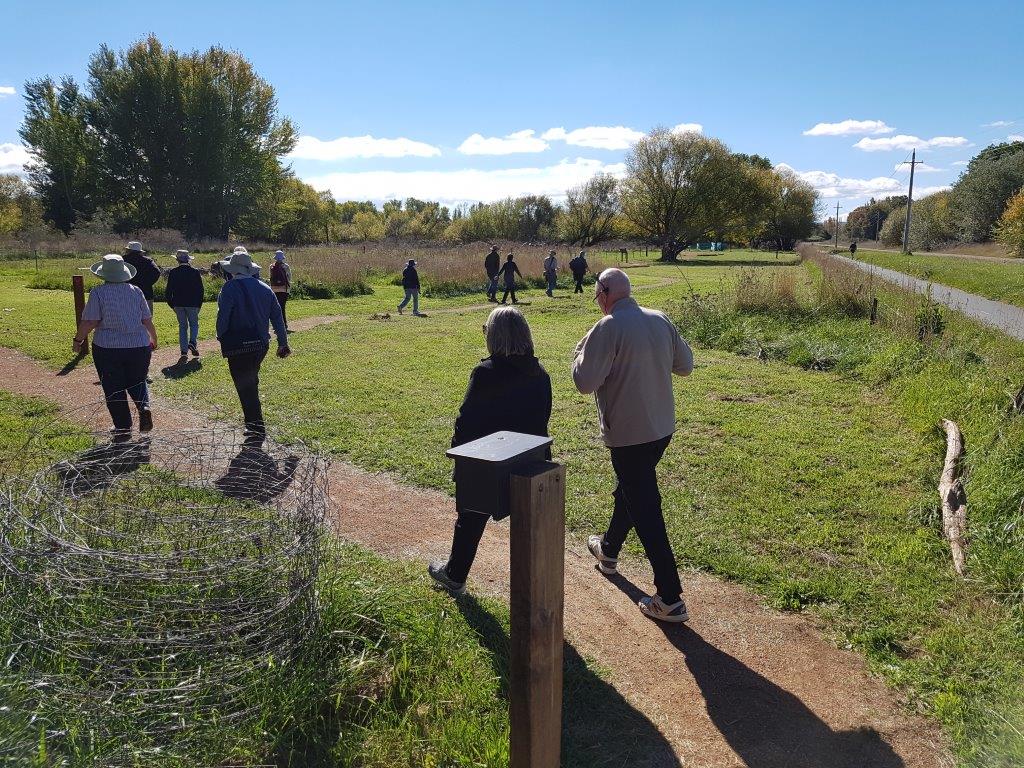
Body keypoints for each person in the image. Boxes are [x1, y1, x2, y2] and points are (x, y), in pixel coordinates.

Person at [572, 268, 694, 623]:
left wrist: (581, 350)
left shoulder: (607, 327)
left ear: (605, 292)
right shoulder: (660, 319)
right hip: (661, 430)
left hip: (628, 436)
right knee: (630, 490)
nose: (597, 300)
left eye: (597, 294)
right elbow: (685, 366)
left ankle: (669, 597)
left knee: (645, 507)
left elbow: (583, 381)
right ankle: (608, 551)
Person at [429, 306, 552, 593]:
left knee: (470, 514)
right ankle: (536, 586)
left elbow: (467, 420)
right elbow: (542, 418)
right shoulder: (540, 373)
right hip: (532, 462)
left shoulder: (486, 372)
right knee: (529, 527)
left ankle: (455, 575)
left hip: (490, 463)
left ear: (494, 336)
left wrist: (459, 458)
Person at [73, 254, 158, 441]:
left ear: (103, 274)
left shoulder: (98, 293)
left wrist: (78, 340)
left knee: (113, 385)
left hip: (108, 347)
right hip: (139, 345)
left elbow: (90, 321)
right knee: (138, 380)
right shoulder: (136, 291)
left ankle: (123, 426)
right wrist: (154, 338)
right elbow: (146, 319)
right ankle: (144, 407)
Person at [215, 248, 291, 444]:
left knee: (245, 386)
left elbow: (223, 317)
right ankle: (254, 425)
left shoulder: (229, 288)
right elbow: (277, 318)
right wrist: (283, 343)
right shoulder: (265, 288)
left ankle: (255, 427)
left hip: (237, 344)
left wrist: (221, 336)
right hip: (260, 344)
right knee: (250, 381)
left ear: (233, 270)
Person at [165, 249, 204, 364]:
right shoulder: (195, 272)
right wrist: (199, 304)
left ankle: (183, 351)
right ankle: (192, 342)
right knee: (194, 324)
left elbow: (168, 291)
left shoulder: (173, 272)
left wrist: (171, 304)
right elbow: (200, 290)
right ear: (188, 260)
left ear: (177, 260)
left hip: (178, 303)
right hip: (193, 303)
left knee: (182, 326)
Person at [123, 240, 161, 314]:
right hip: (145, 293)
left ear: (128, 250)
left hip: (126, 292)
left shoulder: (122, 260)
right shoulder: (148, 261)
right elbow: (156, 272)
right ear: (140, 251)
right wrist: (146, 283)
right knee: (146, 318)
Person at [269, 250, 292, 331]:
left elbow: (270, 278)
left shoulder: (271, 266)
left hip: (274, 289)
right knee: (282, 307)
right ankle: (284, 324)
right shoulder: (286, 266)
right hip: (284, 289)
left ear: (275, 257)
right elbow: (289, 278)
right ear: (282, 258)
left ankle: (276, 325)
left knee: (275, 308)